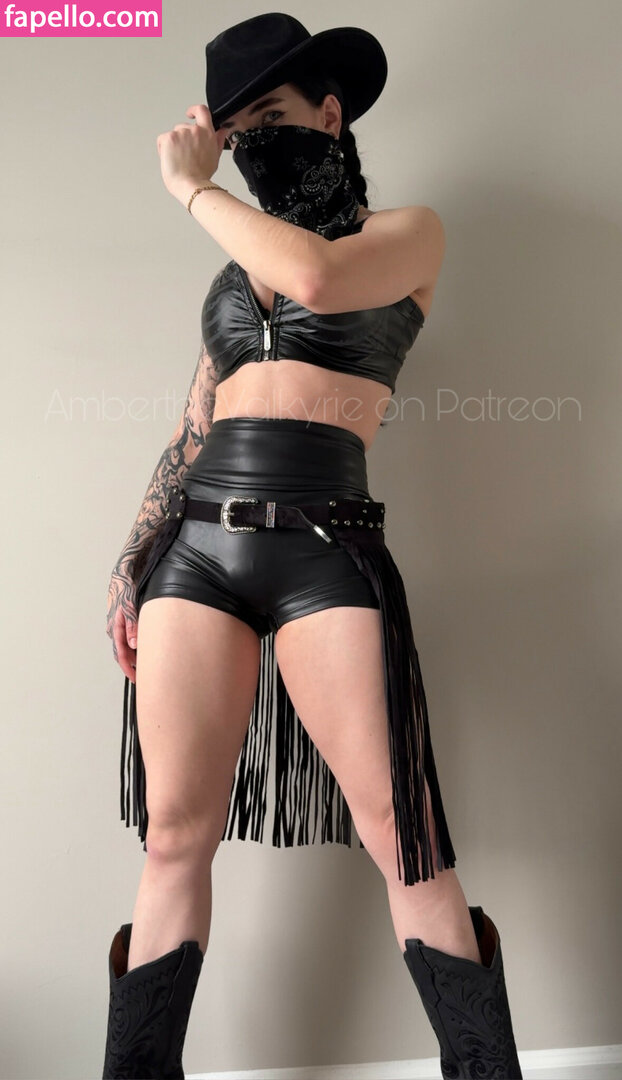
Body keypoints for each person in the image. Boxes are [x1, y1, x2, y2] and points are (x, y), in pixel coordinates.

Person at [101, 13, 523, 1080]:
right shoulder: (234, 275)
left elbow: (321, 280)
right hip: (196, 551)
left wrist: (193, 186)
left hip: (328, 543)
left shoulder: (407, 234)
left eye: (271, 119)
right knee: (172, 837)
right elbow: (194, 426)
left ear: (330, 115)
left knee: (402, 837)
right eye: (233, 132)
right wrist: (134, 554)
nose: (251, 146)